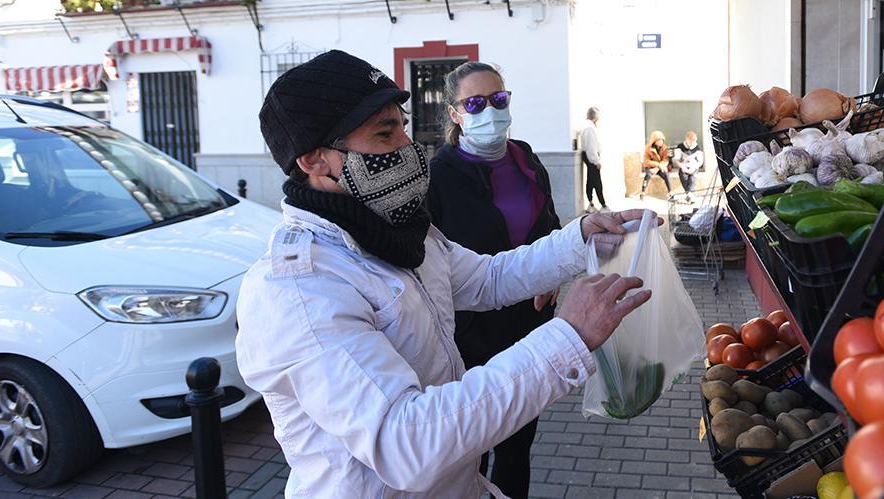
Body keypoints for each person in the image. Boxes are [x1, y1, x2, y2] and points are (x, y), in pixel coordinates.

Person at [236, 50, 652, 498]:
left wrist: (580, 239)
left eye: (402, 127)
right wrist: (567, 338)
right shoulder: (300, 289)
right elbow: (404, 442)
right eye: (384, 133)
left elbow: (488, 278)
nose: (407, 147)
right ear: (315, 162)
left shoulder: (398, 231)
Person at [427, 61, 560, 499]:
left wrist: (552, 273)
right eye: (476, 102)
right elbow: (429, 258)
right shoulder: (437, 176)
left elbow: (549, 225)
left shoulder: (525, 158)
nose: (490, 110)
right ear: (454, 113)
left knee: (518, 445)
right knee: (471, 449)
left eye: (498, 99)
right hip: (472, 334)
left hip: (528, 323)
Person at [579, 107, 606, 212]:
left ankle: (591, 203)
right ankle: (603, 204)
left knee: (590, 180)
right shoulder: (589, 128)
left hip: (589, 156)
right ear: (596, 117)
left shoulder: (588, 127)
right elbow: (591, 146)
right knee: (596, 182)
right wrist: (596, 161)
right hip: (591, 157)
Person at [640, 130, 673, 198]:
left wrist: (658, 168)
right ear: (654, 141)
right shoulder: (648, 148)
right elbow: (646, 161)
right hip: (650, 166)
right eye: (658, 140)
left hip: (660, 167)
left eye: (662, 140)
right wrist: (657, 165)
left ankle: (670, 192)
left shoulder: (665, 148)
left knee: (666, 174)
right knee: (648, 175)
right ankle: (643, 192)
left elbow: (665, 160)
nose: (661, 142)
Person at [673, 131, 705, 196]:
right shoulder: (680, 147)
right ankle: (689, 194)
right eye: (691, 140)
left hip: (694, 167)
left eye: (694, 140)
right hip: (683, 166)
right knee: (684, 178)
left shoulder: (697, 148)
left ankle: (690, 195)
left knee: (693, 179)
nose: (692, 142)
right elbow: (676, 160)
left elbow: (700, 161)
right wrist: (682, 166)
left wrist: (695, 167)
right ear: (687, 139)